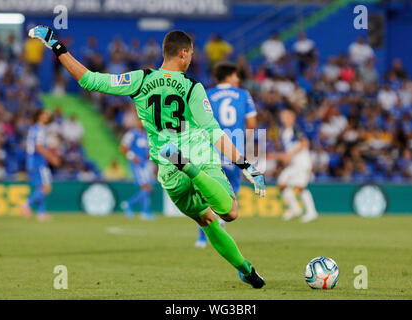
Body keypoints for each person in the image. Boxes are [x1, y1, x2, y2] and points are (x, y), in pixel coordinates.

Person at [29, 26, 266, 288]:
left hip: (167, 167)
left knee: (207, 220)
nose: (191, 60)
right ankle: (192, 170)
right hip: (198, 156)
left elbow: (89, 80)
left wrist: (57, 46)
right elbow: (214, 132)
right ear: (184, 53)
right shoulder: (192, 87)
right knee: (229, 212)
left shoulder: (141, 79)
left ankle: (246, 269)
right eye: (191, 55)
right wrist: (246, 165)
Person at [194, 62, 257, 248]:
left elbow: (198, 121)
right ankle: (221, 223)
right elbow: (252, 123)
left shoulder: (207, 94)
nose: (238, 79)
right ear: (229, 76)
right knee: (231, 190)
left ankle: (202, 236)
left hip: (211, 149)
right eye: (236, 76)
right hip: (233, 150)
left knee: (207, 191)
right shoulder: (244, 94)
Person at [268, 108, 318, 223]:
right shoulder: (284, 132)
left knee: (299, 187)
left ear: (292, 117)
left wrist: (290, 155)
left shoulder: (296, 128)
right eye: (282, 116)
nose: (283, 118)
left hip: (302, 162)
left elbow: (305, 143)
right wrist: (275, 156)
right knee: (282, 182)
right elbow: (288, 153)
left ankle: (311, 212)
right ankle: (295, 208)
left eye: (286, 116)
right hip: (294, 164)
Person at [21, 109, 60, 221]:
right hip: (38, 161)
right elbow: (38, 147)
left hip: (31, 161)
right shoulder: (39, 129)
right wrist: (51, 157)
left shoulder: (34, 128)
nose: (47, 116)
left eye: (48, 114)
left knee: (40, 187)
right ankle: (26, 205)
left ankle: (41, 213)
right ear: (39, 116)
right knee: (47, 188)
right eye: (44, 114)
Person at [120, 118, 155, 220]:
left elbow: (148, 151)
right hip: (137, 165)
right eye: (140, 121)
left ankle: (131, 205)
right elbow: (123, 147)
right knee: (146, 188)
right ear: (137, 122)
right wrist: (132, 157)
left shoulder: (147, 135)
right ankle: (143, 211)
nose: (142, 123)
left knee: (149, 189)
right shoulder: (132, 133)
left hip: (146, 165)